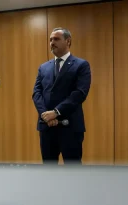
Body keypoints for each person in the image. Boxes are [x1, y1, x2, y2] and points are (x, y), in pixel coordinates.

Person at [32, 27, 91, 165]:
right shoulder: (43, 67)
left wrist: (56, 112)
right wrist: (45, 115)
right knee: (49, 170)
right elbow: (37, 93)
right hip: (47, 127)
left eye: (56, 39)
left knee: (73, 171)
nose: (52, 42)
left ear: (68, 41)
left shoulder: (81, 65)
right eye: (50, 39)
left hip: (69, 127)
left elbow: (79, 93)